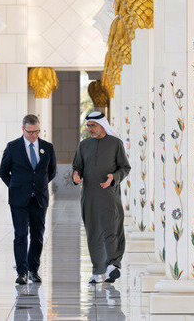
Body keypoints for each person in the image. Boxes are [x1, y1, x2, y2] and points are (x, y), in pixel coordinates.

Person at [72, 111, 130, 283]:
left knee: (112, 229)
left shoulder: (115, 144)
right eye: (88, 125)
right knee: (93, 232)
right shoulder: (84, 145)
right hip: (89, 196)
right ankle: (98, 271)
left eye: (93, 125)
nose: (90, 129)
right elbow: (77, 166)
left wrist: (114, 177)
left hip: (109, 196)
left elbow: (125, 167)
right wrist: (76, 175)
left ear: (102, 125)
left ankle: (113, 264)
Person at [0, 114, 57, 285]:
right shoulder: (12, 147)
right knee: (21, 235)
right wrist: (17, 187)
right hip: (19, 200)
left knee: (38, 235)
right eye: (30, 132)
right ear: (23, 129)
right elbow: (3, 172)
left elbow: (51, 172)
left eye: (36, 132)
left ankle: (33, 269)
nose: (33, 135)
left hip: (39, 199)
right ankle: (22, 272)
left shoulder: (47, 147)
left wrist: (37, 186)